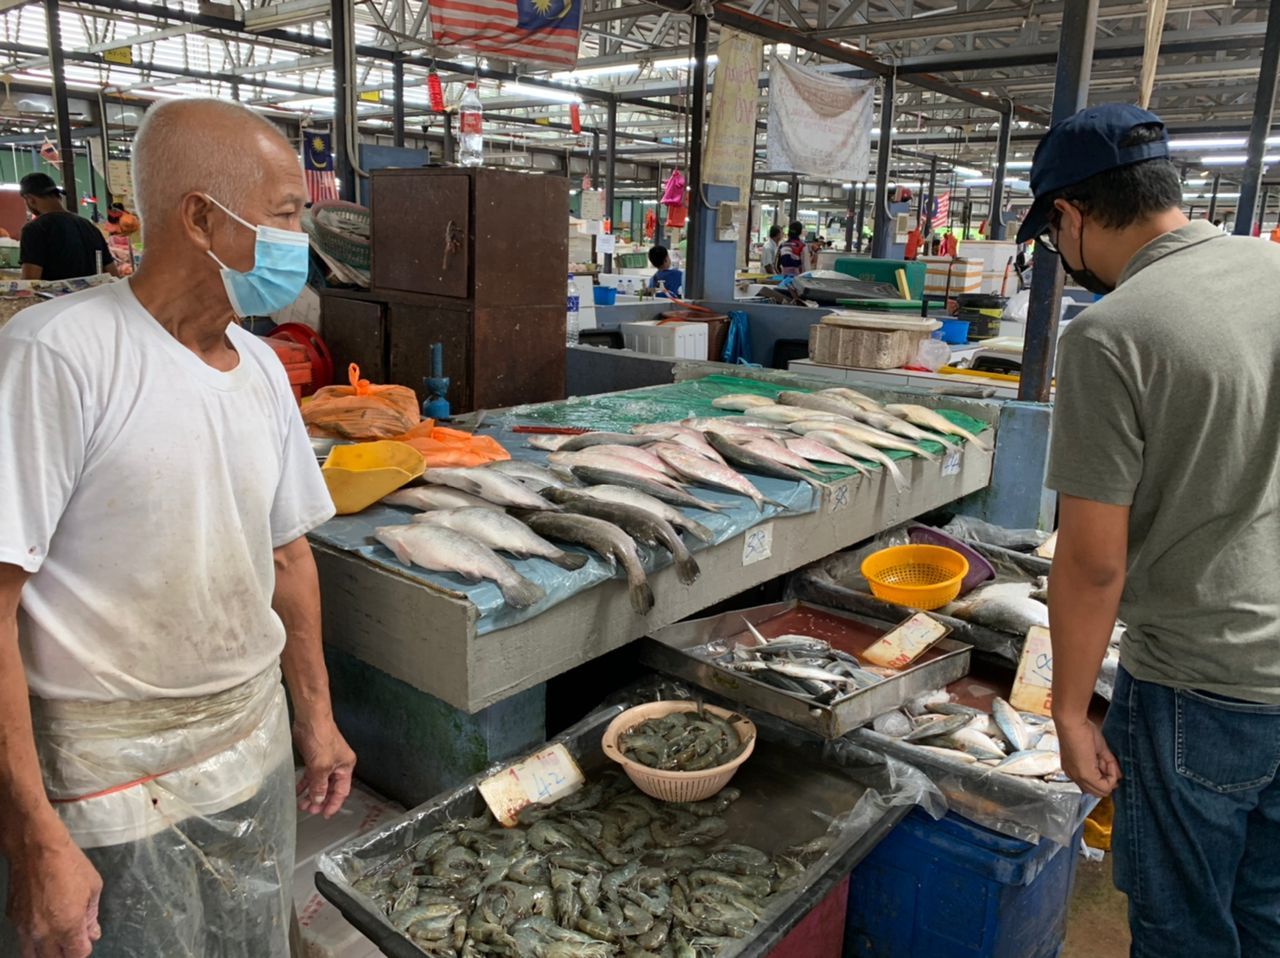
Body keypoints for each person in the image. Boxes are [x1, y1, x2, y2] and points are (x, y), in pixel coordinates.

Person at [0, 99, 354, 958]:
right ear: (201, 218)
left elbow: (288, 552)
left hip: (250, 744)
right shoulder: (58, 355)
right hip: (108, 776)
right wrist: (35, 833)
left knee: (255, 943)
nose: (295, 240)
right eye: (283, 215)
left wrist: (315, 713)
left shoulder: (265, 368)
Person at [1017, 102, 1280, 956]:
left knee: (1182, 929)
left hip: (1202, 688)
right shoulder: (1270, 269)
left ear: (1070, 215)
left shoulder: (1110, 334)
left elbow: (1093, 566)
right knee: (1267, 913)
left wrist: (1068, 712)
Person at [17, 172, 115, 281]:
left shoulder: (34, 229)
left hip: (57, 298)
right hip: (90, 297)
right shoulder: (88, 226)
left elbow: (30, 281)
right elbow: (113, 275)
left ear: (30, 199)